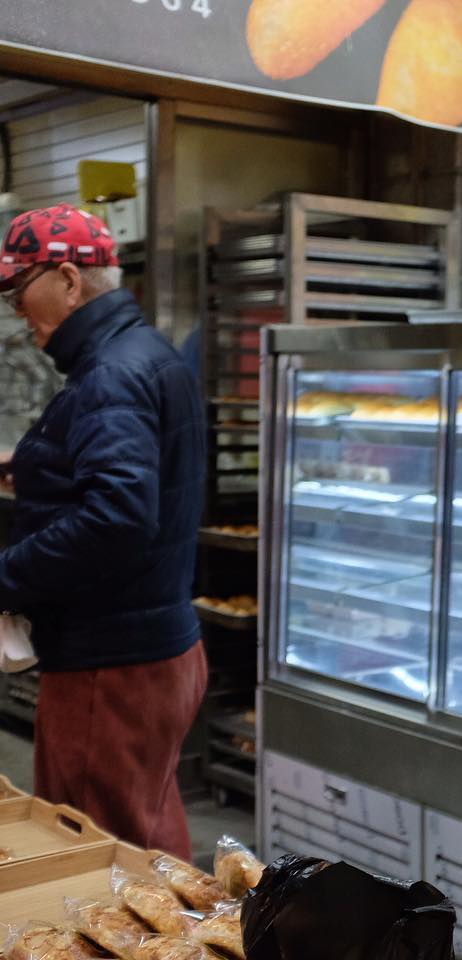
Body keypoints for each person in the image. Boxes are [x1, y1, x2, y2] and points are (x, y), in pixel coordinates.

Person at [0, 203, 207, 857]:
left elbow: (116, 517)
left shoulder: (109, 376)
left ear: (67, 280)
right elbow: (137, 479)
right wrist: (34, 466)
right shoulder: (146, 353)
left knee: (99, 855)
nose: (14, 307)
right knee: (144, 833)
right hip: (155, 648)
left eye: (17, 288)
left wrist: (5, 577)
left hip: (110, 666)